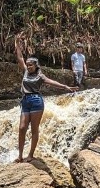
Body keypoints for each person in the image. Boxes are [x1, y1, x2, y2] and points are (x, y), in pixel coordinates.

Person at [14, 35, 78, 163]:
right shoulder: (26, 71)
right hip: (25, 101)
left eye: (31, 65)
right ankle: (20, 155)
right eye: (28, 65)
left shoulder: (40, 75)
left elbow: (51, 82)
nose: (28, 66)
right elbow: (19, 56)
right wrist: (17, 42)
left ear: (36, 66)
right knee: (22, 128)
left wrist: (65, 86)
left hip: (36, 101)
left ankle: (30, 155)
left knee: (34, 129)